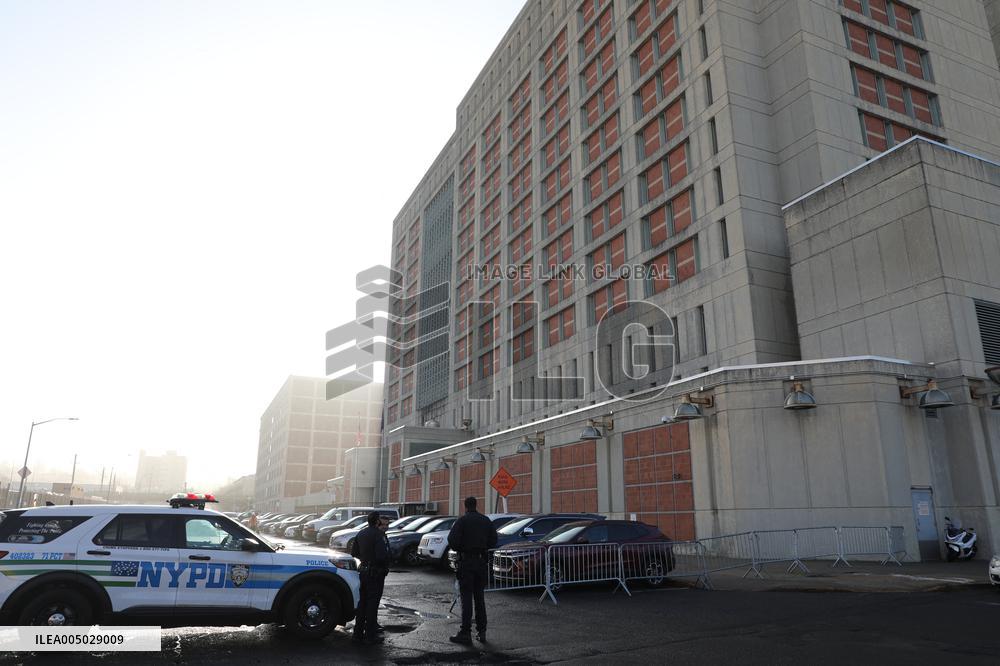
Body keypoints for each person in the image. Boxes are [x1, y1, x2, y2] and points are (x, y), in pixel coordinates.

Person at [447, 496, 498, 644]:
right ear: (476, 505)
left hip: (467, 562)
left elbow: (452, 541)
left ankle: (465, 632)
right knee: (479, 598)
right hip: (481, 562)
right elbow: (493, 540)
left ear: (465, 506)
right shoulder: (485, 521)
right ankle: (482, 632)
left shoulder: (462, 521)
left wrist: (462, 548)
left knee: (467, 598)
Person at [351, 511, 390, 645]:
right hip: (375, 573)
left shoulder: (361, 533)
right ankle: (370, 635)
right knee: (372, 604)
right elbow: (381, 556)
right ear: (377, 521)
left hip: (363, 572)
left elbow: (354, 552)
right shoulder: (378, 535)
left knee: (362, 603)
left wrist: (365, 558)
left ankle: (357, 633)